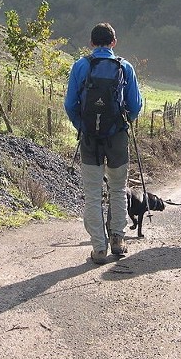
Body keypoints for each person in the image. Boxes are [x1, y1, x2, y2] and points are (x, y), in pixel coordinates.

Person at [64, 23, 143, 264]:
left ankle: (99, 248)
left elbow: (70, 104)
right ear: (113, 42)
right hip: (117, 137)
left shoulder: (81, 66)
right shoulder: (124, 67)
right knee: (118, 189)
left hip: (89, 137)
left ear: (91, 43)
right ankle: (118, 239)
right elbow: (136, 105)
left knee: (92, 194)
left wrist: (82, 125)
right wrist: (121, 122)